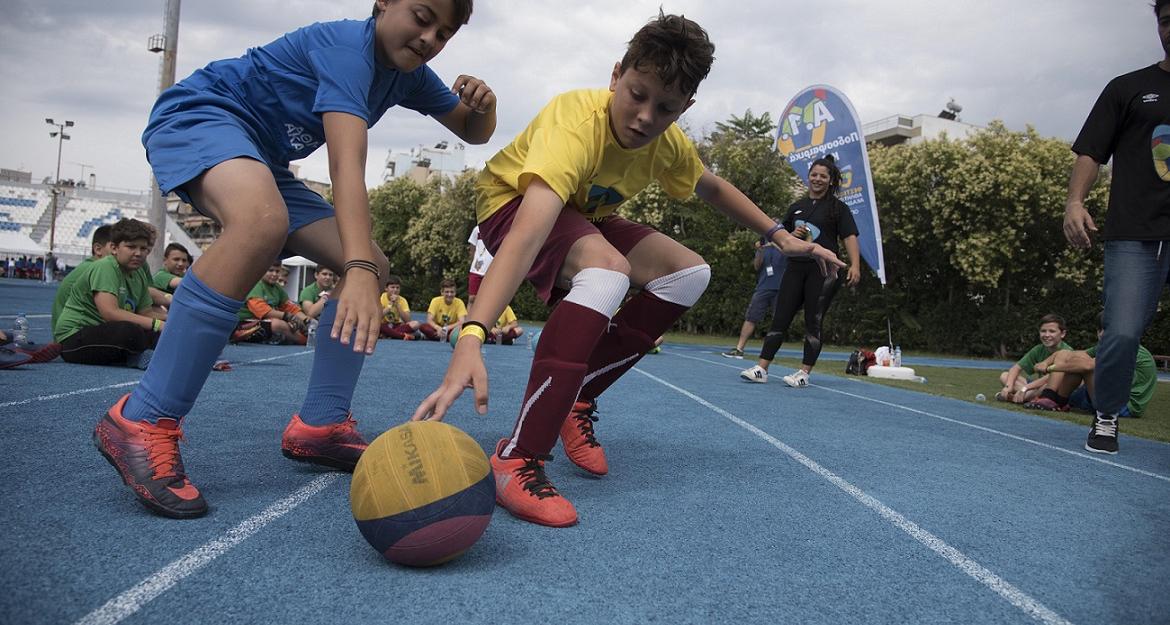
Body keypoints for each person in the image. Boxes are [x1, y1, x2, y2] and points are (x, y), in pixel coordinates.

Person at [410, 12, 843, 528]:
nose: (644, 117)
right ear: (616, 76)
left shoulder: (665, 142)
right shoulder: (575, 125)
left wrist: (779, 236)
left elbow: (710, 185)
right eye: (637, 95)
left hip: (585, 216)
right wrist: (473, 334)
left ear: (685, 108)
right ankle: (518, 457)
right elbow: (527, 233)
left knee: (689, 273)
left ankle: (577, 396)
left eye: (665, 108)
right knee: (609, 271)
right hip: (513, 204)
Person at [92, 0, 495, 519]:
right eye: (422, 17)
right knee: (265, 223)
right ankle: (143, 418)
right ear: (383, 3)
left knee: (374, 263)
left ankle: (321, 423)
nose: (429, 38)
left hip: (262, 157)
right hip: (202, 114)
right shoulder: (348, 50)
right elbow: (346, 166)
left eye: (444, 33)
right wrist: (355, 270)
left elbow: (473, 130)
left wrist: (484, 107)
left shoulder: (409, 73)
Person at [1064, 0, 1170, 455]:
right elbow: (1091, 151)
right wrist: (1074, 201)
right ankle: (1107, 414)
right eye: (1166, 21)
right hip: (1135, 232)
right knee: (1122, 332)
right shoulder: (1128, 88)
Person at [739, 155, 860, 387]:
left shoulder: (838, 208)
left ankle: (804, 373)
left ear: (831, 180)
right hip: (794, 268)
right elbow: (778, 237)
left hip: (823, 272)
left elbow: (849, 236)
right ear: (808, 177)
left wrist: (855, 265)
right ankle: (761, 369)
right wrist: (791, 236)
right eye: (814, 175)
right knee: (780, 317)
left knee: (813, 320)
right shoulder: (796, 207)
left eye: (823, 176)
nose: (817, 179)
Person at [55, 218, 164, 367]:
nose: (138, 253)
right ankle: (136, 356)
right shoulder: (106, 267)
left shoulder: (138, 273)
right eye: (131, 247)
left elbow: (146, 313)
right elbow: (110, 313)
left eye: (144, 248)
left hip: (106, 334)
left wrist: (172, 321)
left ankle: (137, 354)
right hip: (74, 338)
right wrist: (157, 324)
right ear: (114, 248)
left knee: (161, 332)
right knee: (129, 331)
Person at [1024, 314, 1157, 417]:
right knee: (1069, 356)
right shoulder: (1105, 347)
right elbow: (1068, 354)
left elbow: (1088, 366)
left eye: (1108, 330)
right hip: (1099, 394)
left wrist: (1050, 368)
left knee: (1084, 366)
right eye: (1100, 329)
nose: (1102, 333)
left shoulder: (1127, 349)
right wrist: (1045, 362)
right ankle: (1051, 399)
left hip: (1123, 406)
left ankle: (1046, 397)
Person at [722, 234, 785, 359]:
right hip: (763, 287)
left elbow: (790, 254)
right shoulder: (764, 245)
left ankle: (770, 352)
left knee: (779, 321)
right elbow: (757, 266)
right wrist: (760, 250)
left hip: (782, 288)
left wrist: (775, 244)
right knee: (751, 317)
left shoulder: (784, 242)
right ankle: (739, 349)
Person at [994, 314, 1073, 404]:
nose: (1047, 335)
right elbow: (1016, 368)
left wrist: (1025, 388)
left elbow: (1050, 378)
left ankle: (1016, 398)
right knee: (1004, 376)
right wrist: (1008, 387)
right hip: (1036, 387)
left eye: (1052, 331)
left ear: (1062, 334)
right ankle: (1028, 397)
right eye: (1043, 331)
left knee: (1047, 386)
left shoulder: (1067, 352)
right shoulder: (1039, 349)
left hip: (1054, 388)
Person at [51, 225, 115, 335]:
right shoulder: (97, 269)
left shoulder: (92, 266)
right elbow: (111, 312)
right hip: (74, 334)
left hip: (71, 332)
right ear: (98, 249)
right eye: (114, 247)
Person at [238, 263, 312, 345]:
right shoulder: (255, 284)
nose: (274, 274)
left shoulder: (277, 287)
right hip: (244, 323)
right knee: (278, 324)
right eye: (270, 270)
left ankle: (308, 338)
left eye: (277, 271)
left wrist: (306, 321)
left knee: (295, 325)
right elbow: (263, 311)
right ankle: (307, 341)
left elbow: (290, 308)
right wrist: (288, 317)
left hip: (263, 322)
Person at [379, 274, 422, 339]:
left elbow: (408, 320)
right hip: (384, 324)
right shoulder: (381, 297)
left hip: (397, 325)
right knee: (377, 325)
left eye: (397, 288)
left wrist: (397, 305)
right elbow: (378, 317)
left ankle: (388, 334)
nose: (395, 290)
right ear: (386, 288)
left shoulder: (402, 300)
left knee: (416, 324)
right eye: (392, 287)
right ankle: (402, 336)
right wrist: (389, 306)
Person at [466, 224, 494, 306]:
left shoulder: (499, 228)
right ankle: (470, 315)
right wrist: (473, 264)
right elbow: (472, 249)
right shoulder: (477, 229)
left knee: (490, 299)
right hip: (476, 270)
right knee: (472, 299)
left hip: (493, 271)